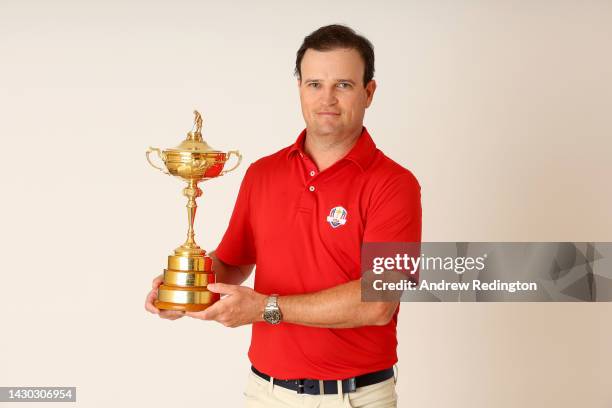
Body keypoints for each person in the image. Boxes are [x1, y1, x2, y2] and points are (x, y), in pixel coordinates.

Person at [145, 24, 421, 408]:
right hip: (266, 394)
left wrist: (265, 308)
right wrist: (184, 289)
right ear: (300, 90)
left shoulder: (395, 185)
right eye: (314, 84)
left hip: (356, 398)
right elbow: (231, 263)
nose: (326, 98)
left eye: (343, 85)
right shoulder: (263, 174)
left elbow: (379, 302)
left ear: (368, 92)